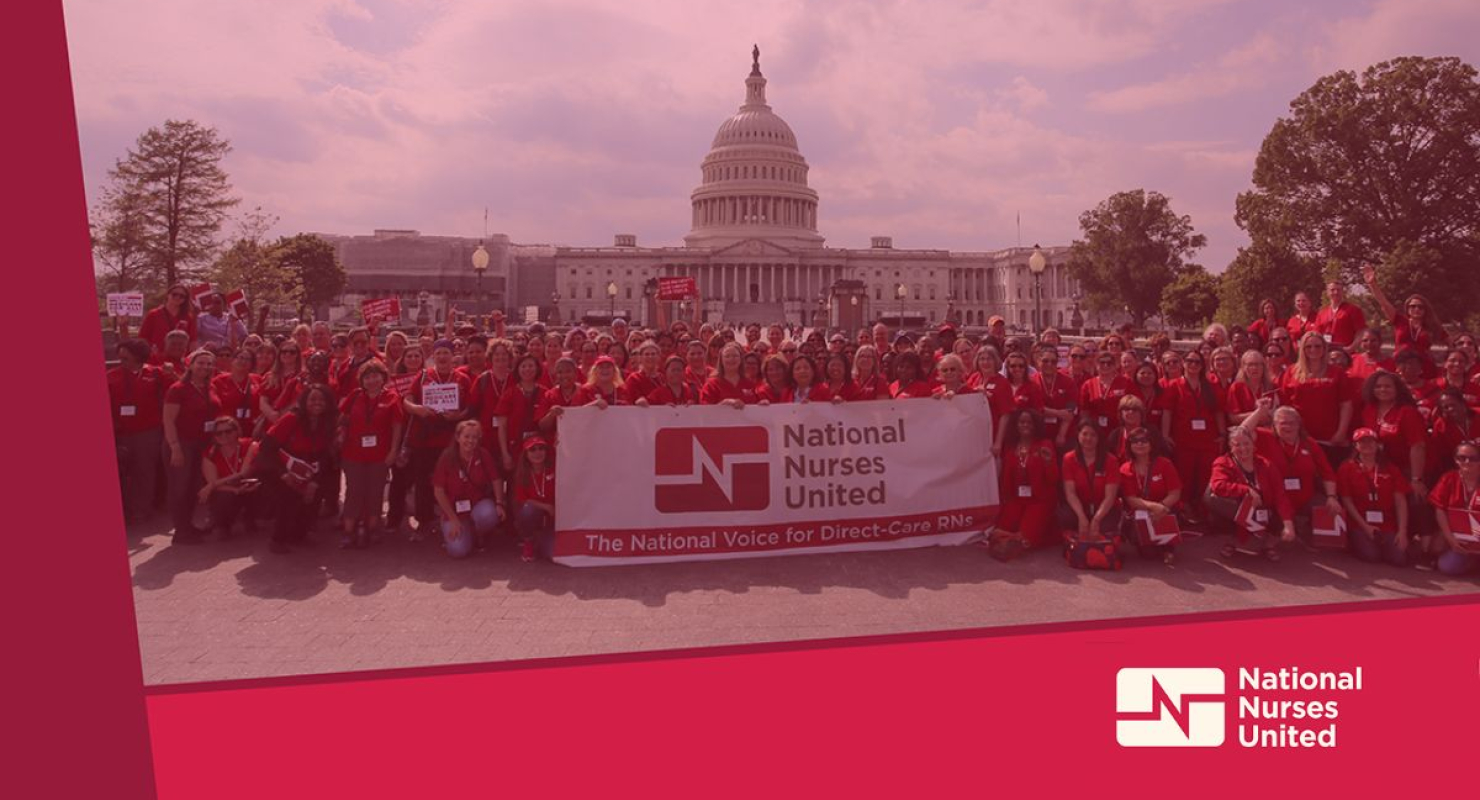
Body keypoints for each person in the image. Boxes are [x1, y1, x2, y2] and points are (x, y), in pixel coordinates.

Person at [1240, 403, 1340, 540]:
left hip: (1305, 498)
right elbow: (1242, 432)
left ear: (1299, 425)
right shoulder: (1265, 437)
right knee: (1275, 532)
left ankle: (1319, 540)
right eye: (1283, 423)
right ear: (1274, 425)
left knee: (1329, 507)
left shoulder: (1309, 443)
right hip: (1274, 501)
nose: (1288, 427)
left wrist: (1332, 496)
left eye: (1292, 423)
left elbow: (1327, 472)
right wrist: (1260, 410)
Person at [403, 340, 472, 538]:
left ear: (452, 356)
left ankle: (453, 519)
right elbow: (407, 400)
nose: (442, 357)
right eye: (439, 353)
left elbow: (470, 407)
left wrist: (458, 415)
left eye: (446, 353)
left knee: (453, 481)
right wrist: (417, 409)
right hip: (425, 439)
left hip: (451, 440)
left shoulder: (462, 378)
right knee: (423, 481)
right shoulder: (424, 375)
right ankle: (424, 521)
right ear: (434, 356)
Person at [260, 384, 338, 554]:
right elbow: (266, 448)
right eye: (312, 399)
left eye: (321, 399)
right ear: (304, 401)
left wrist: (315, 481)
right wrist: (283, 473)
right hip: (283, 466)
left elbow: (325, 455)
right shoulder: (291, 418)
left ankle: (299, 535)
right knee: (288, 500)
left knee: (312, 498)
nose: (317, 403)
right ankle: (277, 539)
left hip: (311, 466)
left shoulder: (327, 421)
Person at [337, 360, 404, 549]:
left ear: (383, 378)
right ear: (362, 380)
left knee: (375, 491)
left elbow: (397, 426)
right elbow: (341, 418)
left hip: (380, 454)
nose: (372, 380)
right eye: (367, 377)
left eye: (375, 376)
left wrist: (393, 451)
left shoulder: (391, 397)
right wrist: (340, 434)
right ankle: (348, 530)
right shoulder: (355, 396)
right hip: (353, 453)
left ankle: (373, 528)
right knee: (354, 491)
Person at [1208, 426, 1296, 561]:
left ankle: (1269, 545)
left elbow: (1280, 495)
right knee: (1217, 505)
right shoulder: (1223, 462)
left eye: (1246, 443)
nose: (1243, 448)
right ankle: (1231, 541)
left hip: (1264, 508)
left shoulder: (1266, 464)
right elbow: (1218, 485)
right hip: (1238, 507)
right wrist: (1247, 490)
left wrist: (1288, 524)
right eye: (1237, 444)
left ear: (1253, 445)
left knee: (1284, 511)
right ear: (1231, 447)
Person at [162, 349, 220, 544]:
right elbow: (168, 420)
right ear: (191, 365)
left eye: (209, 364)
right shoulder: (178, 389)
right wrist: (175, 447)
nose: (205, 367)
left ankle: (188, 525)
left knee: (193, 486)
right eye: (200, 363)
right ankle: (181, 530)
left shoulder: (210, 387)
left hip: (202, 444)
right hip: (182, 444)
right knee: (180, 487)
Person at [1161, 349, 1225, 524]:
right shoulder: (1174, 386)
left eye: (1197, 362)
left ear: (1202, 365)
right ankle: (1184, 510)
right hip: (1184, 440)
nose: (1193, 365)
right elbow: (1167, 411)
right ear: (1183, 363)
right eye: (1190, 361)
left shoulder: (1211, 386)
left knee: (1206, 477)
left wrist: (1222, 434)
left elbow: (1218, 412)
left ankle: (1205, 511)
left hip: (1207, 440)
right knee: (1184, 477)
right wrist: (1165, 434)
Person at [109, 338, 168, 524]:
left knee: (145, 471)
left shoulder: (156, 374)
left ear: (138, 356)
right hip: (121, 433)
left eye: (126, 357)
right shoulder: (111, 376)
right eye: (120, 357)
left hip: (148, 432)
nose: (122, 361)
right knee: (123, 473)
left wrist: (173, 374)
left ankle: (142, 509)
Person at [988, 410, 1059, 560]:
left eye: (1029, 422)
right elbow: (1006, 477)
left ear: (1035, 425)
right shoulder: (1010, 447)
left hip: (1038, 500)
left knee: (1026, 539)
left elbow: (1053, 479)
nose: (1025, 425)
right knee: (995, 534)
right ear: (1016, 425)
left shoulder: (1045, 445)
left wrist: (1048, 462)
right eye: (1022, 422)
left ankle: (1020, 539)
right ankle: (1014, 538)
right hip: (1016, 499)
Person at [432, 420, 505, 559]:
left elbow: (496, 479)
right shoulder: (447, 457)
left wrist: (499, 503)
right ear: (457, 437)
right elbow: (438, 491)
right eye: (466, 436)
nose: (470, 441)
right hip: (454, 510)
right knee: (458, 551)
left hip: (476, 504)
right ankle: (454, 529)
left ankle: (477, 533)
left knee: (490, 514)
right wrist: (453, 519)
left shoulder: (483, 454)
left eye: (475, 437)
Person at [1337, 427, 1410, 567]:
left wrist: (1402, 531)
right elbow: (1347, 500)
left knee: (1399, 558)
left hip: (1387, 524)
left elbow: (1400, 501)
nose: (1367, 445)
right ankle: (1353, 543)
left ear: (1378, 445)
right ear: (1355, 446)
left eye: (1371, 441)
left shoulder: (1390, 468)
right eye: (1362, 442)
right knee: (1371, 556)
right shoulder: (1346, 468)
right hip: (1359, 523)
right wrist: (1365, 526)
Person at [1363, 262, 1447, 377]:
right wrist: (1372, 284)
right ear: (1407, 308)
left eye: (1420, 307)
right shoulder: (1400, 320)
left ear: (1425, 309)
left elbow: (1452, 342)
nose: (1416, 309)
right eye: (1413, 306)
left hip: (1424, 368)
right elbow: (1384, 303)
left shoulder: (1432, 326)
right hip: (1399, 366)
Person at [1278, 332, 1353, 454]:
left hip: (1329, 437)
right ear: (1302, 349)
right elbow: (1284, 405)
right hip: (1299, 435)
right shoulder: (1291, 372)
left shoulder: (1337, 372)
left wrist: (1341, 432)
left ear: (1324, 348)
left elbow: (1346, 405)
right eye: (1308, 346)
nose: (1313, 350)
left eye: (1318, 346)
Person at [1117, 427, 1181, 565]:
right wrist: (1153, 507)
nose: (1140, 444)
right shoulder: (1125, 469)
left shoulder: (1165, 464)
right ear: (1129, 445)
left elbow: (1175, 493)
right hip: (1140, 510)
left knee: (1168, 516)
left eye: (1144, 440)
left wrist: (1162, 507)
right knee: (1149, 555)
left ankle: (1168, 548)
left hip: (1165, 508)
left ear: (1151, 444)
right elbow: (1131, 499)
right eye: (1135, 441)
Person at [197, 416, 260, 541]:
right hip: (229, 489)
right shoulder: (210, 454)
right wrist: (234, 490)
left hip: (250, 485)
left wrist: (211, 485)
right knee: (222, 495)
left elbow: (244, 473)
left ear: (237, 431)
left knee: (260, 487)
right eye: (219, 433)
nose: (223, 435)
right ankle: (222, 525)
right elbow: (214, 484)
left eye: (228, 431)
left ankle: (250, 518)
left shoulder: (250, 445)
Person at [1060, 417, 1121, 542]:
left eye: (1093, 435)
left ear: (1099, 438)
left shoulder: (1111, 460)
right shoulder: (1068, 458)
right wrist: (1081, 517)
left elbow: (1110, 496)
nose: (1088, 438)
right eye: (1085, 434)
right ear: (1078, 435)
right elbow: (1070, 493)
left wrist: (1096, 519)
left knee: (1105, 528)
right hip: (1080, 506)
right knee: (1065, 517)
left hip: (1103, 508)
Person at [1427, 440, 1480, 576]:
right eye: (1462, 458)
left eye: (1473, 458)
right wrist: (1450, 539)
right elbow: (1439, 510)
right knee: (1447, 567)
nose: (1467, 462)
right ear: (1456, 460)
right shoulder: (1448, 478)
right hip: (1458, 538)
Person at [1080, 349, 1132, 440]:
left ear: (1115, 365)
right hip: (1095, 430)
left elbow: (1132, 406)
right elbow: (1084, 411)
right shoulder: (1088, 384)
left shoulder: (1125, 382)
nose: (1105, 365)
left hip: (1118, 428)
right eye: (1102, 362)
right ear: (1096, 365)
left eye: (1109, 363)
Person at [1032, 346, 1076, 447]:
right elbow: (1036, 409)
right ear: (1038, 361)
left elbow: (1069, 412)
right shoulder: (1031, 381)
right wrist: (1059, 413)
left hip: (1063, 432)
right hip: (1037, 432)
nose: (1049, 364)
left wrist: (1061, 435)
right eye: (1045, 361)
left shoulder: (1068, 382)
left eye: (1053, 361)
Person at [138, 284, 196, 357]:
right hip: (157, 357)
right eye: (174, 294)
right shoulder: (154, 314)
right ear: (168, 295)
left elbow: (192, 340)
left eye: (182, 296)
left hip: (179, 358)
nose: (177, 297)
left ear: (185, 299)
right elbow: (143, 337)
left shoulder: (188, 317)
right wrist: (150, 349)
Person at [211, 348, 260, 434]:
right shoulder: (218, 381)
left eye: (248, 359)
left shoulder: (258, 379)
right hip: (227, 430)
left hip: (253, 429)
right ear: (232, 360)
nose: (243, 361)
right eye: (240, 357)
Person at [1226, 349, 1278, 425]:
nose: (1254, 368)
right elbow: (1233, 418)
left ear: (1263, 367)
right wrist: (1258, 413)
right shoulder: (1236, 387)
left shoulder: (1271, 386)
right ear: (1243, 367)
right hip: (1245, 429)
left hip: (1268, 428)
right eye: (1250, 364)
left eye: (1258, 364)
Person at [1313, 280, 1367, 348]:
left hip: (1345, 351)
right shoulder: (1322, 313)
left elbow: (1361, 332)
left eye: (1338, 290)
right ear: (1327, 292)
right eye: (1332, 290)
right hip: (1326, 351)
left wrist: (1351, 348)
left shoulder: (1353, 310)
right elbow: (1316, 334)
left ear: (1342, 292)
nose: (1336, 292)